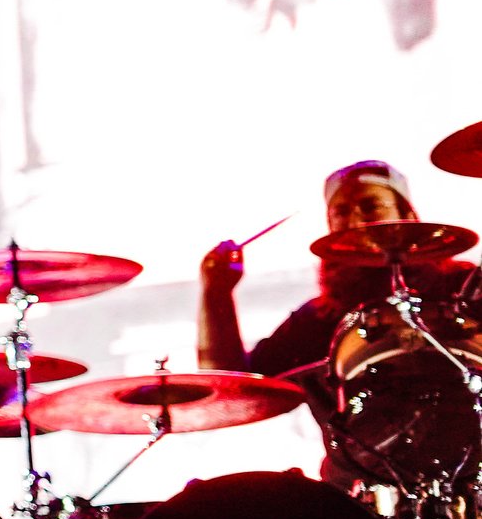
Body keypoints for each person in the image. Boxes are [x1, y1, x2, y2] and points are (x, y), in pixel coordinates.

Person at [197, 158, 478, 485]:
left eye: (370, 207)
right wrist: (215, 293)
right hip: (365, 495)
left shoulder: (463, 289)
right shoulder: (319, 319)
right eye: (340, 213)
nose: (354, 222)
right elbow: (230, 386)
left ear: (409, 216)